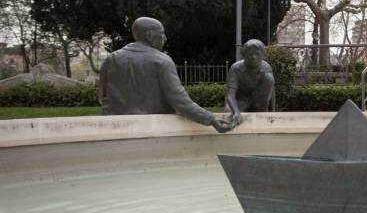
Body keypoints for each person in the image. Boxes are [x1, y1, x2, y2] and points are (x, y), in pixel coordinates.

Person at [98, 17, 235, 133]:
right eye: (162, 33)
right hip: (154, 128)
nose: (165, 38)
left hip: (115, 128)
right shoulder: (162, 61)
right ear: (149, 35)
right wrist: (211, 119)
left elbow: (102, 96)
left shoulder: (112, 59)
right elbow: (180, 101)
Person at [226, 39, 275, 124]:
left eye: (257, 54)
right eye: (250, 54)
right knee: (229, 113)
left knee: (269, 78)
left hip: (258, 102)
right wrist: (235, 112)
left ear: (263, 55)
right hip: (240, 100)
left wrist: (269, 109)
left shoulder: (266, 68)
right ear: (244, 55)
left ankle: (260, 109)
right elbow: (230, 95)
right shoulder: (235, 69)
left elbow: (270, 93)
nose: (253, 57)